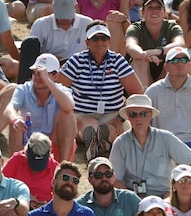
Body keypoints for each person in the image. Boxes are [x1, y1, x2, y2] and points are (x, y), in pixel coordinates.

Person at [60, 21, 142, 160]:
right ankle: (101, 146)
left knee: (111, 130)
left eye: (104, 38)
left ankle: (98, 147)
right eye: (95, 38)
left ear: (109, 41)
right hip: (83, 114)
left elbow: (137, 93)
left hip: (112, 114)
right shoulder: (76, 61)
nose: (100, 42)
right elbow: (58, 89)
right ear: (87, 42)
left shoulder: (118, 61)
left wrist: (120, 119)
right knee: (90, 128)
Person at [109, 94, 191, 197]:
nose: (138, 118)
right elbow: (114, 179)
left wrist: (175, 192)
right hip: (132, 197)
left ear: (150, 115)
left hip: (165, 197)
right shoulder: (120, 143)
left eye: (143, 114)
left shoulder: (166, 138)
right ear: (128, 116)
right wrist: (131, 198)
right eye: (133, 114)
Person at [144, 46, 191, 150]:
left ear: (189, 65)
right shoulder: (153, 91)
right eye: (174, 60)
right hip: (163, 144)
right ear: (166, 66)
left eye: (184, 60)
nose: (179, 63)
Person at [127, 0, 186, 87]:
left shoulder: (172, 27)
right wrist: (145, 55)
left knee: (174, 60)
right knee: (139, 60)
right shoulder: (135, 28)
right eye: (150, 8)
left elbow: (180, 44)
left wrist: (158, 51)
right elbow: (130, 46)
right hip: (141, 71)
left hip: (164, 70)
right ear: (143, 11)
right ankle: (143, 98)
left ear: (164, 11)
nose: (154, 11)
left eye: (158, 7)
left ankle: (165, 96)